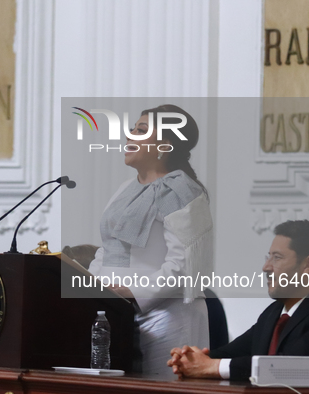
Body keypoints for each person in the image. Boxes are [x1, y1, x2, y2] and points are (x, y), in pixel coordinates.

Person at [88, 105, 214, 377]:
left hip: (167, 317)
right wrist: (90, 287)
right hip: (116, 313)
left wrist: (134, 293)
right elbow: (108, 249)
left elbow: (185, 265)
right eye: (133, 129)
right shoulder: (126, 188)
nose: (130, 135)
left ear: (165, 145)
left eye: (141, 130)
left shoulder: (183, 189)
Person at [168, 220, 309, 385]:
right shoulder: (273, 313)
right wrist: (191, 359)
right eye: (268, 257)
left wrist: (211, 366)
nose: (265, 267)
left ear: (307, 265)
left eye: (277, 258)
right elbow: (231, 353)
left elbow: (283, 367)